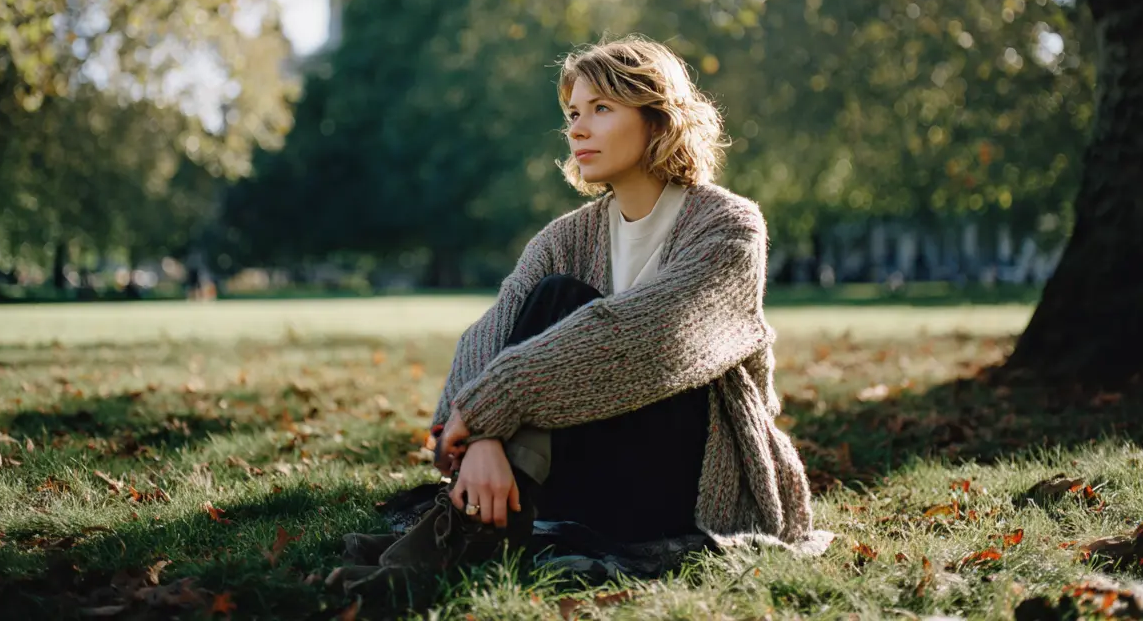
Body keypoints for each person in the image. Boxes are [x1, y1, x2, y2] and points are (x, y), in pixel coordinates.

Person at [326, 35, 832, 610]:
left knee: (565, 303)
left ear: (658, 119)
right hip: (590, 466)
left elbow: (651, 339)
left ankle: (458, 539)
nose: (577, 129)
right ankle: (470, 531)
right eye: (572, 113)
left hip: (687, 475)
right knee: (549, 297)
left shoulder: (729, 228)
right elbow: (491, 329)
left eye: (601, 109)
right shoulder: (568, 235)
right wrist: (477, 433)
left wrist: (491, 405)